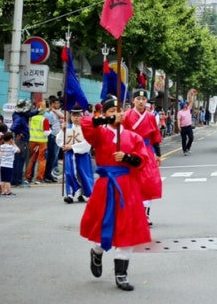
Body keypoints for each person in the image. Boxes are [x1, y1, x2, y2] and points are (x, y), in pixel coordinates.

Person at [80, 95, 153, 291]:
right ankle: (97, 250)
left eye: (118, 111)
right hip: (106, 186)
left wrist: (127, 157)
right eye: (111, 112)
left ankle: (121, 274)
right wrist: (107, 120)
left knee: (127, 227)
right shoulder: (99, 134)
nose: (116, 114)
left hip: (127, 186)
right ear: (104, 114)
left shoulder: (133, 137)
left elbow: (142, 160)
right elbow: (86, 123)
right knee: (103, 225)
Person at [123, 89, 163, 224]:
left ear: (147, 102)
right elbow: (121, 136)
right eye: (138, 99)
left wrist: (158, 154)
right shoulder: (126, 115)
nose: (141, 101)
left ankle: (145, 214)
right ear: (133, 100)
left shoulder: (151, 117)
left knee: (148, 182)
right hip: (131, 150)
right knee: (132, 182)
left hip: (147, 151)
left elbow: (155, 136)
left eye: (143, 99)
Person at [57, 105, 94, 204]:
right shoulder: (67, 127)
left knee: (83, 174)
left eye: (78, 115)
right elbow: (59, 140)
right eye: (74, 115)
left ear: (82, 116)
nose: (76, 117)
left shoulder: (86, 128)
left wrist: (73, 147)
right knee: (70, 173)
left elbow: (88, 143)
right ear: (71, 117)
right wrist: (62, 131)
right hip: (70, 155)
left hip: (82, 155)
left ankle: (83, 193)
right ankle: (70, 194)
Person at [10, 99, 39, 187]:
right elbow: (13, 128)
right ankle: (17, 180)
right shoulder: (19, 118)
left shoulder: (19, 114)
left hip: (20, 140)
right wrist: (19, 133)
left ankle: (15, 180)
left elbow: (29, 114)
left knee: (17, 160)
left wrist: (37, 110)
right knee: (19, 160)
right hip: (21, 141)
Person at [25, 100, 50, 184]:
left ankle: (28, 178)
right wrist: (51, 130)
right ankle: (39, 178)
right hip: (42, 141)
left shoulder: (31, 119)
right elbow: (46, 132)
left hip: (32, 140)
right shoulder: (44, 120)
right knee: (42, 160)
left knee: (31, 159)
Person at [44, 96, 64, 182]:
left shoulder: (56, 111)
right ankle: (47, 174)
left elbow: (63, 116)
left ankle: (51, 174)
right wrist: (53, 110)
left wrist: (55, 110)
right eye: (56, 103)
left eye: (59, 103)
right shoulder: (49, 113)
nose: (58, 104)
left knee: (54, 156)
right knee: (51, 156)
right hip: (51, 136)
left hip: (57, 136)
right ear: (52, 104)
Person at [0, 131, 20, 196]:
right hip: (8, 166)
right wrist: (14, 144)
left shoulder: (2, 146)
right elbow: (18, 150)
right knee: (8, 180)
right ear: (11, 139)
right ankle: (8, 192)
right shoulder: (11, 147)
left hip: (2, 165)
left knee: (3, 180)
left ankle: (3, 191)